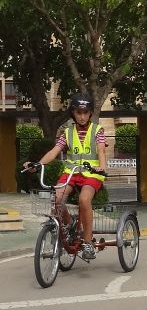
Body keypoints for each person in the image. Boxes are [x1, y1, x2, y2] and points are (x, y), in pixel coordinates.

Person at [24, 93, 107, 260]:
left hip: (92, 174)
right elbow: (53, 152)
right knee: (57, 199)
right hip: (71, 173)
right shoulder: (67, 133)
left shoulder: (98, 131)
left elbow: (101, 150)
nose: (82, 116)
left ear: (90, 113)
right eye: (78, 112)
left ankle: (88, 241)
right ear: (73, 113)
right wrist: (38, 164)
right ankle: (69, 226)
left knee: (84, 200)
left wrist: (102, 167)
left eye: (85, 112)